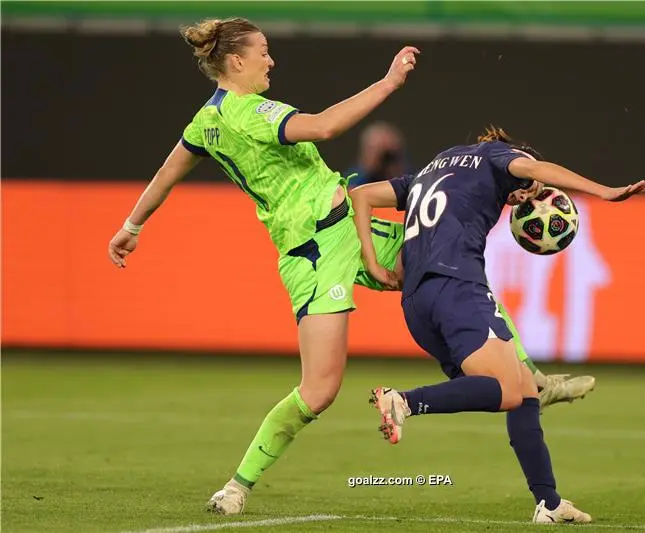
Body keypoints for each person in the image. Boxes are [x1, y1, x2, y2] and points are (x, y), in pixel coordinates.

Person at [106, 17, 420, 515]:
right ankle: (237, 486)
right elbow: (325, 126)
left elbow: (168, 172)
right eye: (263, 52)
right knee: (318, 392)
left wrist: (133, 225)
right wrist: (389, 82)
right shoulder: (251, 113)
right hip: (313, 254)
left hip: (346, 225)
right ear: (236, 61)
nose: (270, 60)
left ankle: (524, 380)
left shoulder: (204, 122)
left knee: (443, 260)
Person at [350, 126, 645, 523]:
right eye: (527, 183)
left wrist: (374, 264)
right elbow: (537, 165)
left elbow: (363, 194)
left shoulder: (435, 166)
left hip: (417, 305)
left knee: (523, 389)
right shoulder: (497, 156)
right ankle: (403, 401)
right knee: (509, 390)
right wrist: (605, 192)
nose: (527, 192)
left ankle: (549, 503)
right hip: (458, 286)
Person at [346, 121, 409, 189]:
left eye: (390, 155)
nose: (385, 160)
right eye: (374, 149)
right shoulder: (351, 180)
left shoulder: (412, 181)